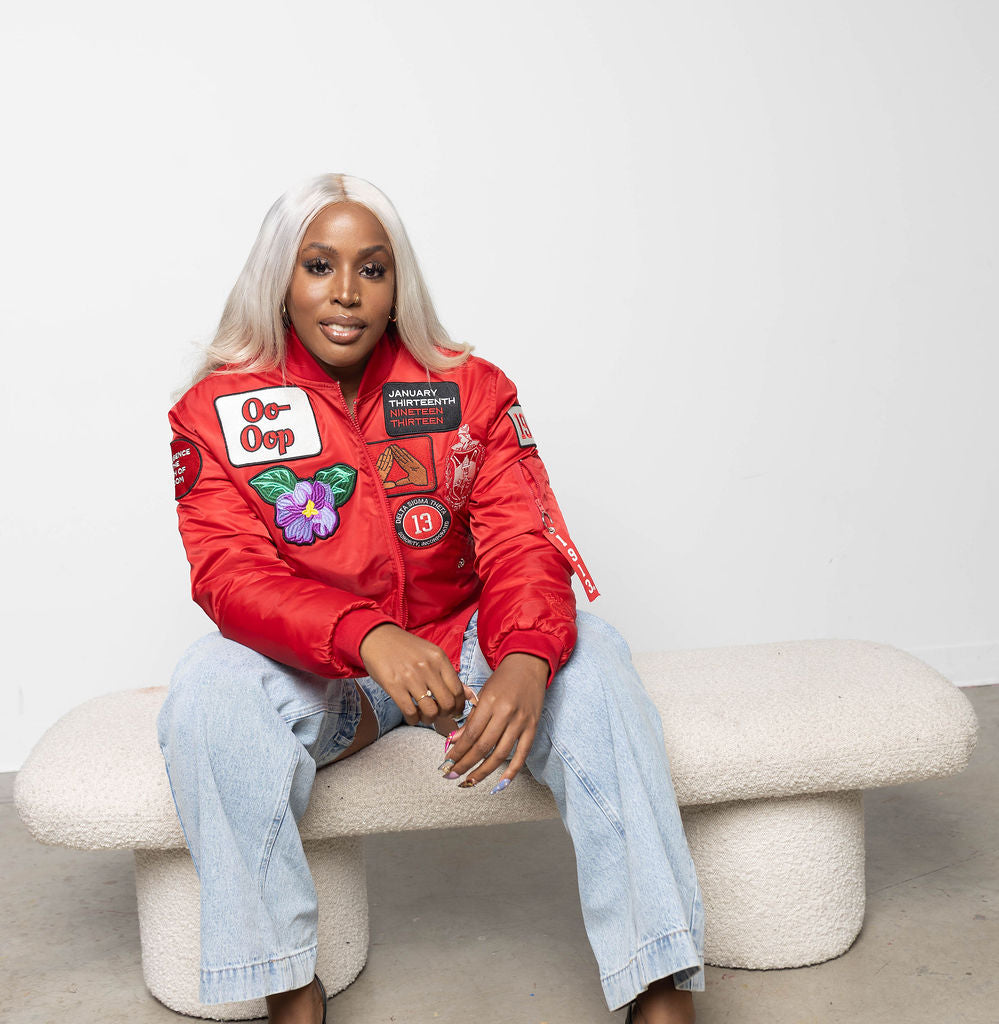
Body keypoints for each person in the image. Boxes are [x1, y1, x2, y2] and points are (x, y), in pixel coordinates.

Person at [158, 173, 704, 1024]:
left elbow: (524, 538)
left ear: (398, 283)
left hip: (464, 653)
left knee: (593, 654)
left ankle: (660, 987)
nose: (346, 294)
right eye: (318, 265)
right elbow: (231, 577)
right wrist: (367, 637)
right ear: (279, 279)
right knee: (206, 689)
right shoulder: (212, 412)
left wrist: (524, 661)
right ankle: (286, 986)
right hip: (327, 676)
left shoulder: (470, 389)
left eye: (372, 270)